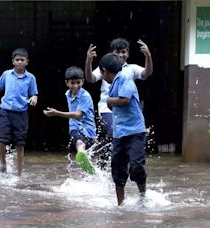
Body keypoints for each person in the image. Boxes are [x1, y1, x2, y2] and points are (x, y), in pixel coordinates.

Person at [99, 53, 148, 206]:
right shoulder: (114, 82)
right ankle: (120, 205)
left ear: (105, 70)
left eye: (102, 73)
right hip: (119, 133)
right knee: (118, 169)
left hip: (135, 132)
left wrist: (108, 100)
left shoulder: (125, 77)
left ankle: (142, 197)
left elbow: (125, 100)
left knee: (136, 166)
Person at [85, 38, 153, 136]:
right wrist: (88, 62)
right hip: (107, 108)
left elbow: (146, 73)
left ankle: (102, 150)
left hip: (125, 110)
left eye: (123, 52)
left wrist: (148, 56)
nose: (120, 55)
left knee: (123, 136)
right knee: (114, 132)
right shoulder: (105, 67)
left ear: (128, 53)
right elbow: (90, 78)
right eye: (117, 52)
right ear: (111, 53)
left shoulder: (131, 68)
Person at [0, 48, 38, 176]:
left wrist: (34, 98)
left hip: (21, 113)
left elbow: (34, 94)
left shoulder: (31, 78)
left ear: (27, 62)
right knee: (2, 139)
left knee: (20, 142)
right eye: (17, 60)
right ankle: (2, 161)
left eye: (22, 60)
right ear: (13, 61)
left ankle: (19, 171)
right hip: (5, 111)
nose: (19, 62)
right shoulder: (6, 74)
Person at [43, 66, 96, 173]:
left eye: (78, 82)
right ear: (67, 83)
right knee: (79, 142)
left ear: (83, 82)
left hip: (88, 128)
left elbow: (78, 115)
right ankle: (82, 155)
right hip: (74, 126)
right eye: (72, 83)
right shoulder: (68, 94)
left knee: (83, 143)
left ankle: (84, 158)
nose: (75, 86)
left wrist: (56, 113)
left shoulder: (85, 96)